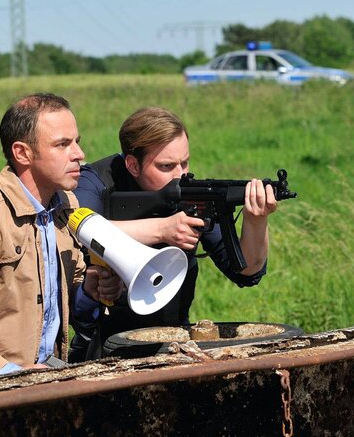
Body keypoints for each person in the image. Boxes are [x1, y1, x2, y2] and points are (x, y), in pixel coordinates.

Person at [0, 93, 122, 374]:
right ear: (22, 153)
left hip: (50, 374)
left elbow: (69, 298)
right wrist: (6, 371)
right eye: (62, 144)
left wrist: (89, 290)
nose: (79, 154)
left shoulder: (66, 203)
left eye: (76, 141)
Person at [71, 106, 277, 359]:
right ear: (133, 165)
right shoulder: (97, 180)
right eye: (166, 166)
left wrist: (256, 221)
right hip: (104, 346)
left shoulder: (188, 192)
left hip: (172, 342)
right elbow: (76, 224)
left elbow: (246, 272)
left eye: (185, 162)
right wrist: (162, 230)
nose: (180, 175)